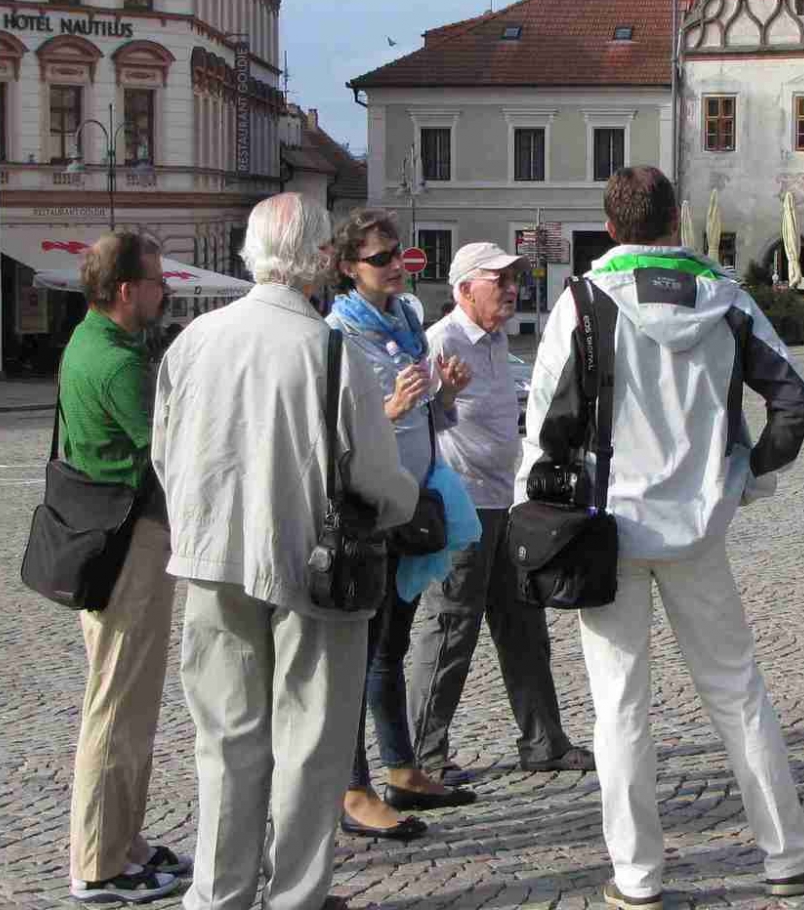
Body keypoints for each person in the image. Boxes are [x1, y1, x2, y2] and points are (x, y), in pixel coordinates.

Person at [518, 166, 804, 908]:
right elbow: (795, 402)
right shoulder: (726, 300)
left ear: (611, 228)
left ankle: (638, 876)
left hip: (607, 529)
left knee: (619, 705)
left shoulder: (581, 301)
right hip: (698, 525)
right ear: (675, 223)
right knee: (737, 692)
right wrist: (744, 472)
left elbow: (543, 426)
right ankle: (787, 855)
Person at [153, 193, 418, 910]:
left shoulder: (195, 339)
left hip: (214, 560)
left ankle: (218, 895)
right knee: (309, 743)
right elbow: (374, 472)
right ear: (322, 259)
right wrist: (403, 506)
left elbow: (164, 453)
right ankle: (296, 895)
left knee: (226, 741)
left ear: (251, 252)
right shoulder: (329, 351)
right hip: (313, 565)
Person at [408, 242, 592, 780]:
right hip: (462, 509)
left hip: (509, 506)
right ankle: (423, 757)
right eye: (499, 280)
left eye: (514, 279)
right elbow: (413, 422)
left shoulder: (495, 342)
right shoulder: (438, 343)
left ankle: (544, 742)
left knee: (524, 627)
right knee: (449, 629)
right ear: (464, 288)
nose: (513, 288)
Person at [325, 208, 478, 841]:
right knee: (361, 655)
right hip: (370, 507)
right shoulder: (340, 333)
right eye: (380, 258)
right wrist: (389, 407)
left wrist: (442, 394)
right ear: (347, 267)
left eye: (397, 253)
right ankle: (352, 789)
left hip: (416, 498)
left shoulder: (408, 319)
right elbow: (338, 431)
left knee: (392, 645)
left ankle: (403, 770)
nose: (394, 264)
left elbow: (429, 418)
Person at [60, 232, 183, 904]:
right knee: (114, 709)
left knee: (130, 706)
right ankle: (99, 863)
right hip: (129, 542)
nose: (164, 291)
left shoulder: (95, 342)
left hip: (115, 538)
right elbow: (169, 448)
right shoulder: (114, 363)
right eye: (158, 281)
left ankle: (124, 841)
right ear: (127, 290)